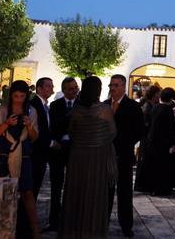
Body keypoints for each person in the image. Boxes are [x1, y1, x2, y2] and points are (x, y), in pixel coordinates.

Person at [59, 76, 116, 239]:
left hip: (77, 156)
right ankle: (91, 231)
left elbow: (71, 132)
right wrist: (97, 141)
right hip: (96, 157)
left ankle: (73, 230)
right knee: (94, 194)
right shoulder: (105, 110)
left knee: (75, 193)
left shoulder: (76, 110)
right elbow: (112, 133)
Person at [0, 80, 40, 239]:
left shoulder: (31, 111)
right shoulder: (1, 111)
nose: (19, 99)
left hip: (23, 155)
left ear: (26, 96)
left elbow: (34, 137)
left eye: (22, 96)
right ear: (11, 96)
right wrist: (6, 124)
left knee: (27, 192)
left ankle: (34, 230)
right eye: (16, 96)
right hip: (2, 155)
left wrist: (29, 126)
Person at [104, 74, 144, 237]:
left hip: (124, 156)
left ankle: (126, 225)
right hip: (105, 157)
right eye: (111, 85)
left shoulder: (133, 106)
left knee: (125, 193)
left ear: (123, 86)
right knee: (105, 192)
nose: (112, 88)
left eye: (116, 85)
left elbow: (140, 130)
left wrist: (125, 144)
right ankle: (102, 223)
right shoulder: (104, 105)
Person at [46, 77, 79, 231]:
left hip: (75, 150)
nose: (75, 90)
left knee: (74, 186)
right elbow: (52, 126)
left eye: (76, 87)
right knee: (56, 185)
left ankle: (71, 218)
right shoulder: (55, 105)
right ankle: (54, 220)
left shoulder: (81, 105)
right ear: (64, 90)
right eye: (71, 88)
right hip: (58, 150)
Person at [144, 87, 175, 196]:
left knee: (154, 165)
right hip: (163, 142)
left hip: (153, 140)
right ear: (171, 98)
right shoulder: (168, 110)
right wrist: (173, 143)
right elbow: (170, 128)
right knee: (163, 166)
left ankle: (152, 187)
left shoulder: (155, 107)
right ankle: (162, 188)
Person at [30, 77, 54, 200]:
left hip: (42, 154)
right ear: (39, 88)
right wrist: (50, 143)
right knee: (32, 188)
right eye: (48, 86)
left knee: (36, 187)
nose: (51, 88)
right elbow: (37, 129)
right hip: (35, 153)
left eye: (52, 86)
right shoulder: (35, 105)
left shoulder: (45, 106)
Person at [134, 85, 161, 192]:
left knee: (146, 161)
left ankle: (145, 184)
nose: (159, 95)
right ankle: (142, 185)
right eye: (158, 93)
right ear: (154, 94)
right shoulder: (148, 106)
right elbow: (146, 123)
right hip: (147, 138)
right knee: (145, 160)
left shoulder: (151, 105)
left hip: (149, 137)